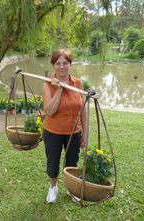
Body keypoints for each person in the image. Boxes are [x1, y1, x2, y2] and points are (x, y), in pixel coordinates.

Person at [42, 49, 87, 203]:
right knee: (53, 162)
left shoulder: (78, 83)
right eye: (58, 63)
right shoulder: (48, 85)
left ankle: (71, 188)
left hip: (74, 132)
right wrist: (59, 89)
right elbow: (50, 111)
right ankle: (53, 188)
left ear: (70, 65)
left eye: (65, 63)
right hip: (53, 131)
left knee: (72, 162)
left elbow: (83, 110)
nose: (62, 66)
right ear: (54, 65)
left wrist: (85, 134)